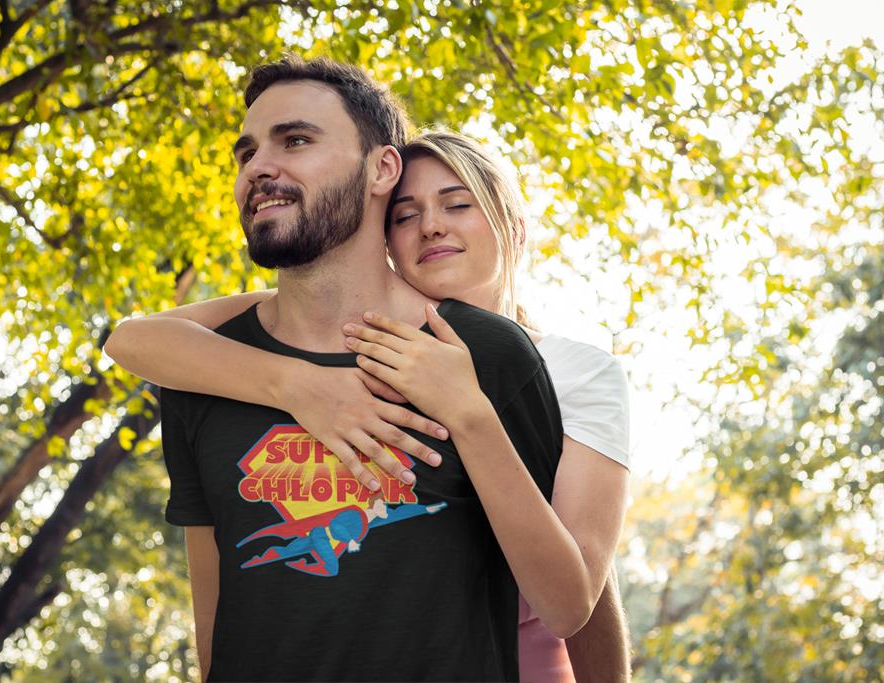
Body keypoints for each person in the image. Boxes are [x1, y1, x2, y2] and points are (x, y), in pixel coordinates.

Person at [105, 56, 627, 681]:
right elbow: (216, 627)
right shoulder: (208, 370)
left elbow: (578, 597)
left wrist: (467, 412)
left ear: (380, 170)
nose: (259, 166)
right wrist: (301, 382)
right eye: (246, 153)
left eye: (296, 140)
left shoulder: (510, 360)